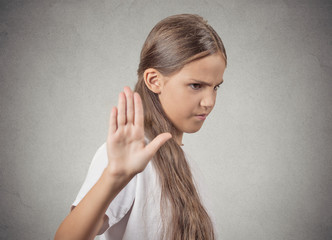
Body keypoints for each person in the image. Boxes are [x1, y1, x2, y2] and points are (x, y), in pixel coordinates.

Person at [55, 13, 227, 240]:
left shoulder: (188, 166)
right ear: (154, 80)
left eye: (216, 87)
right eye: (196, 85)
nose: (210, 102)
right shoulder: (128, 158)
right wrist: (114, 176)